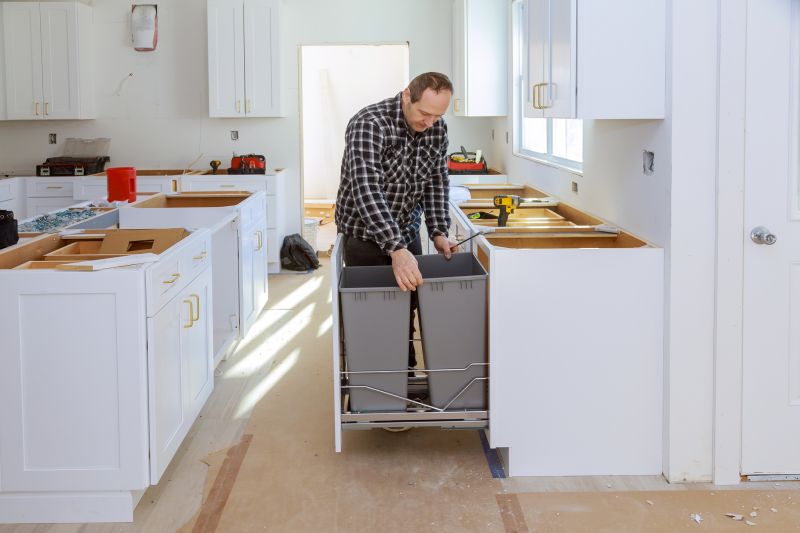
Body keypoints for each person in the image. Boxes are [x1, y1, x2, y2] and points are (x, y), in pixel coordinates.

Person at [335, 72, 457, 369]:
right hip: (363, 234)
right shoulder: (369, 123)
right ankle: (371, 383)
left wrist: (439, 230)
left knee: (409, 305)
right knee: (372, 313)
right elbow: (367, 189)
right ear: (406, 96)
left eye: (437, 115)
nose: (430, 122)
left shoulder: (437, 128)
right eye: (424, 113)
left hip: (406, 229)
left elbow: (436, 181)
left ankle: (405, 376)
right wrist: (395, 249)